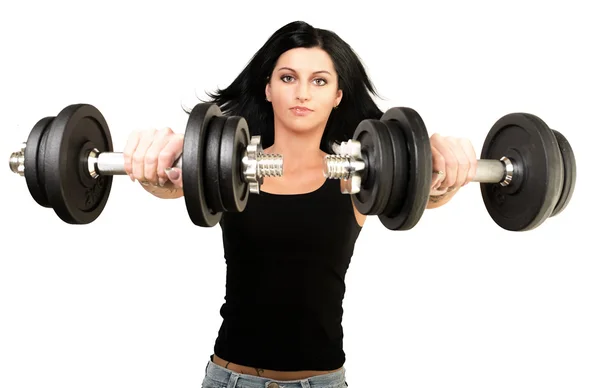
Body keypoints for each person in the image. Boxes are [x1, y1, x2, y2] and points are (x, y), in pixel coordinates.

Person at [123, 20, 477, 388]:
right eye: (288, 78)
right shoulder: (227, 168)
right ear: (268, 89)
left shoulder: (359, 175)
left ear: (338, 95)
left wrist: (449, 169)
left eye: (320, 80)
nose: (303, 93)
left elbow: (423, 192)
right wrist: (151, 162)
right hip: (231, 379)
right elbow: (170, 184)